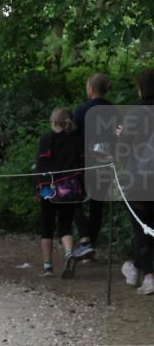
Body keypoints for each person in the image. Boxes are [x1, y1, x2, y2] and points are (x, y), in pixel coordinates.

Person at [35, 108, 86, 279]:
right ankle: (69, 253)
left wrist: (37, 189)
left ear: (52, 121)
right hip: (69, 187)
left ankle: (48, 267)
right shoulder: (75, 140)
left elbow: (40, 166)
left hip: (48, 188)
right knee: (65, 225)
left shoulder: (45, 139)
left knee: (47, 227)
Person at [117, 68, 154, 296]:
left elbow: (122, 148)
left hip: (139, 178)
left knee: (142, 227)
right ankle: (139, 269)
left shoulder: (135, 114)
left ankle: (148, 274)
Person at [71, 72, 114, 261]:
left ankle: (85, 240)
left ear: (91, 88)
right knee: (97, 205)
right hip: (105, 161)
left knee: (73, 200)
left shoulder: (81, 110)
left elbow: (72, 135)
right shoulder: (113, 110)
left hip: (84, 161)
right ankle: (90, 247)